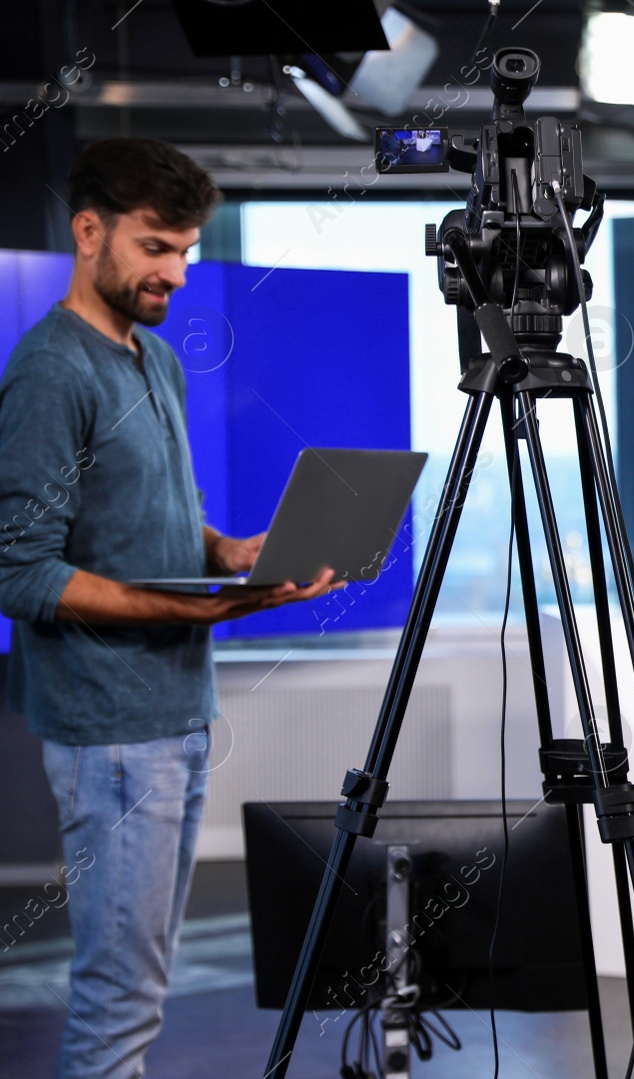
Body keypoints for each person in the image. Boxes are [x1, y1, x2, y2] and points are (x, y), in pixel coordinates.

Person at [0, 138, 340, 1078]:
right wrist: (176, 612)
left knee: (137, 991)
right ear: (88, 231)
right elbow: (19, 571)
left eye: (186, 251)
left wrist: (242, 557)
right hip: (110, 728)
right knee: (120, 1000)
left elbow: (169, 521)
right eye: (156, 247)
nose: (177, 273)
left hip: (177, 711)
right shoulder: (50, 372)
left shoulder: (155, 361)